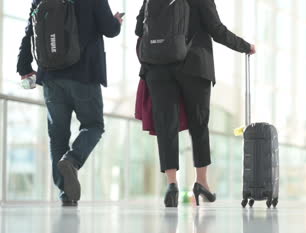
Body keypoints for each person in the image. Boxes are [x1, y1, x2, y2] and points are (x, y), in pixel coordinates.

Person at [136, 0, 256, 208]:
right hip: (195, 65)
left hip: (158, 67)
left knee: (167, 127)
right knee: (199, 125)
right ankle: (201, 182)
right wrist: (245, 46)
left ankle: (172, 184)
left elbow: (139, 28)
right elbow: (216, 30)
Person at [17, 0, 123, 207]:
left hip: (50, 76)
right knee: (93, 125)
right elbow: (109, 29)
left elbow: (30, 32)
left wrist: (24, 66)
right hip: (84, 73)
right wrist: (116, 22)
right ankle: (72, 160)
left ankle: (65, 192)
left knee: (58, 135)